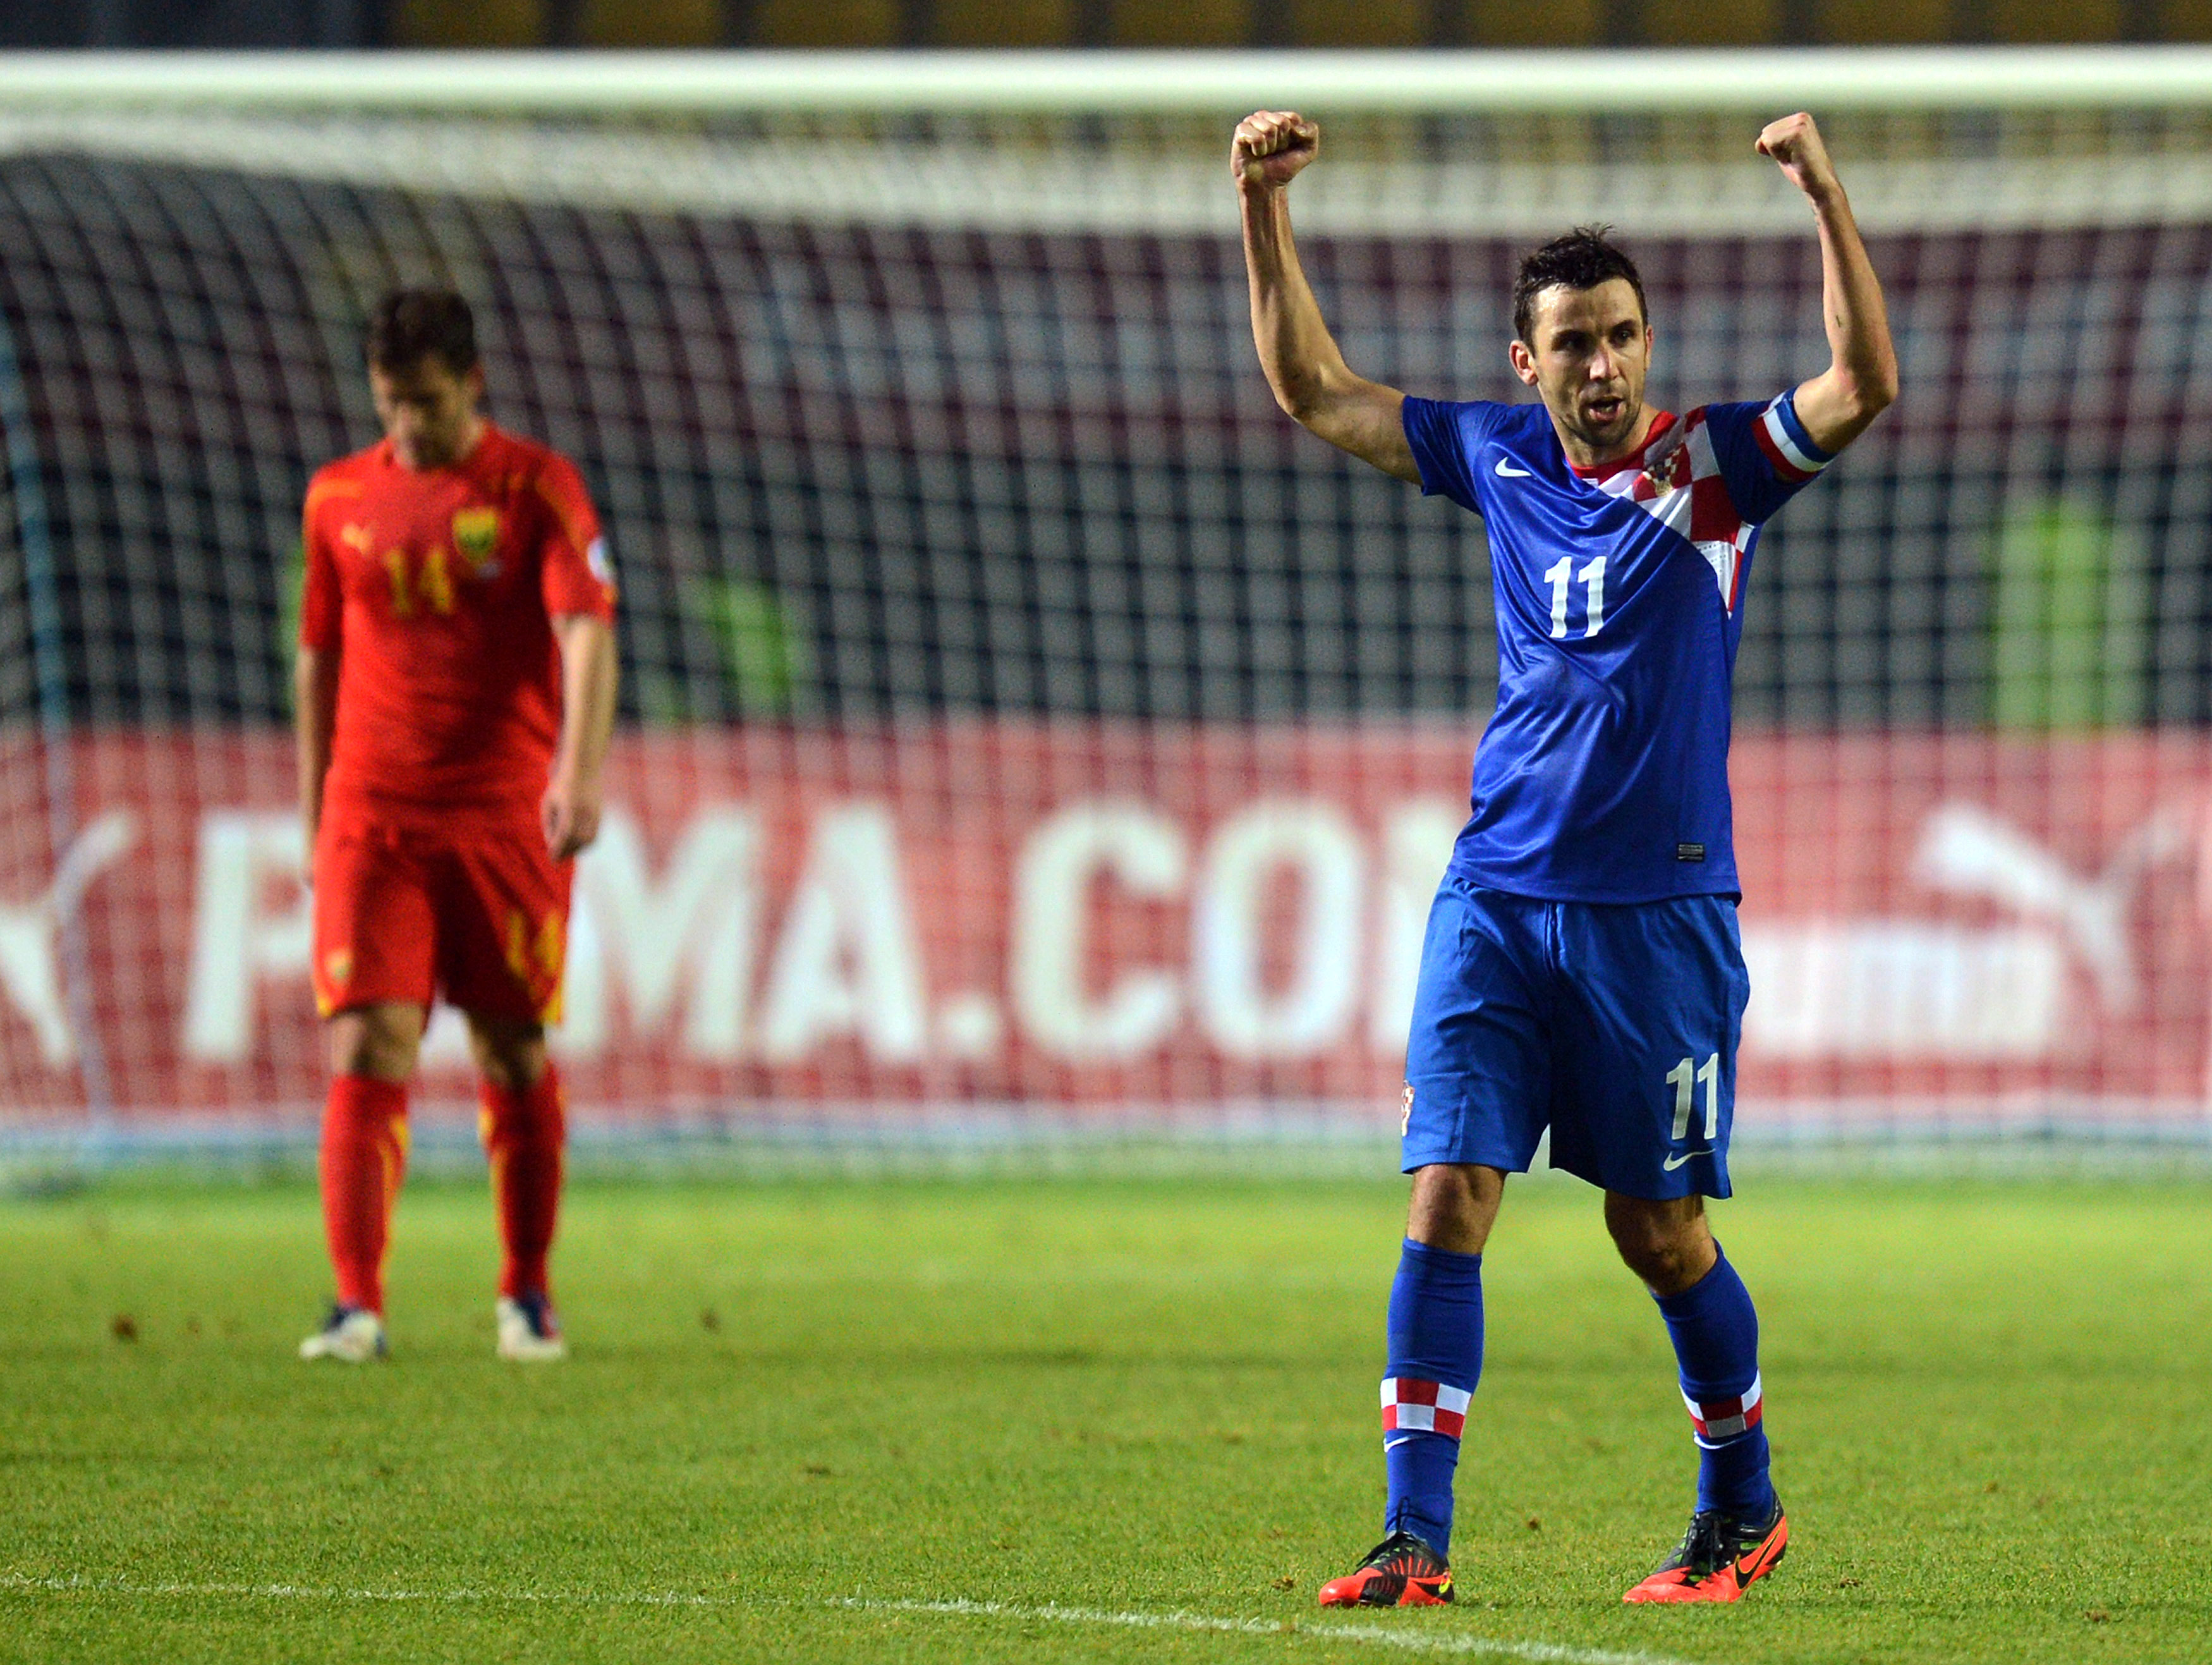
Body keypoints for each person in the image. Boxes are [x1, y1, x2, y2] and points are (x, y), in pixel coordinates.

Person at [1232, 109, 1895, 1606]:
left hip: (1657, 913)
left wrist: (1823, 198)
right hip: (1495, 895)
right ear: (1524, 367)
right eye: (1571, 344)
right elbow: (1308, 387)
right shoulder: (1491, 455)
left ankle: (1744, 1507)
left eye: (1620, 337)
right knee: (1444, 1193)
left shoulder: (1716, 470)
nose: (1600, 366)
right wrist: (1262, 208)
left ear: (1647, 347)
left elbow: (1862, 383)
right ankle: (1414, 1540)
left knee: (1655, 1234)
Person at [294, 288, 619, 1365]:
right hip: (374, 815)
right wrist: (313, 805)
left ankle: (526, 1292)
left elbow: (585, 631)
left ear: (471, 383)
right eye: (390, 403)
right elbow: (319, 659)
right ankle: (357, 1305)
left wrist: (576, 769)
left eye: (426, 402)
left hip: (500, 815)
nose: (408, 427)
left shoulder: (537, 487)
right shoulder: (335, 496)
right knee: (363, 1037)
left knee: (511, 1046)